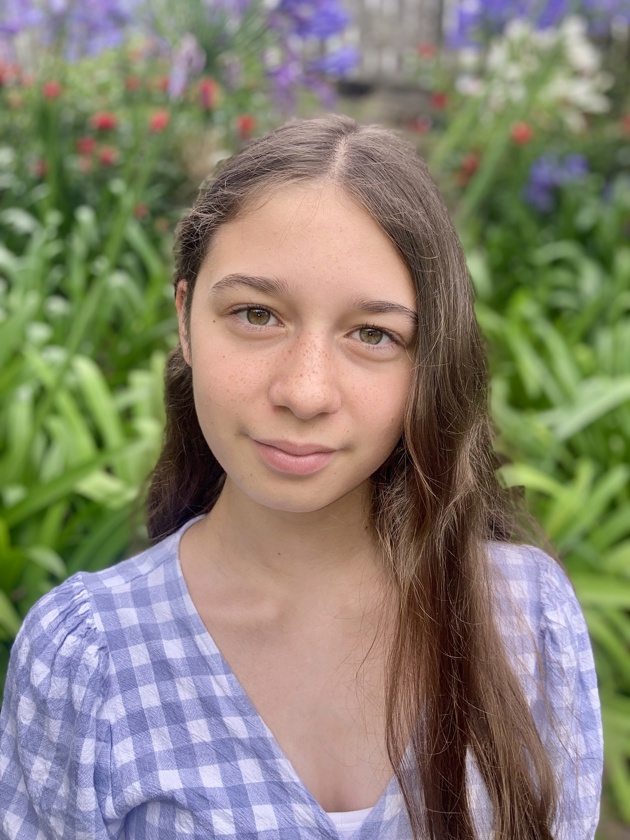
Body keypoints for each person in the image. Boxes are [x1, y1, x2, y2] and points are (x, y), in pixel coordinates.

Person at [0, 114, 602, 840]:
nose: (305, 392)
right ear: (186, 319)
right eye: (257, 314)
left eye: (373, 334)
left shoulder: (527, 623)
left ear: (430, 360)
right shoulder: (88, 656)